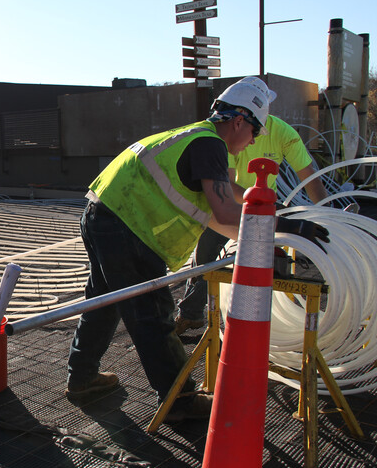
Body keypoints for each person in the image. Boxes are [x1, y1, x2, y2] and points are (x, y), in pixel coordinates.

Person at [65, 79, 330, 423]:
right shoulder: (210, 144)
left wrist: (269, 227)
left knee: (104, 300)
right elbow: (226, 212)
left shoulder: (197, 138)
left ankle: (82, 378)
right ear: (239, 121)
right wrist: (288, 227)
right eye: (254, 132)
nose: (253, 141)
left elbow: (221, 212)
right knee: (152, 314)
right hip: (126, 226)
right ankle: (180, 402)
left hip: (103, 213)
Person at [175, 77, 330, 335]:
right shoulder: (224, 136)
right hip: (235, 201)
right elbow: (227, 188)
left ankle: (259, 322)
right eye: (253, 133)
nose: (254, 141)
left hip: (261, 205)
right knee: (205, 258)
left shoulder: (282, 133)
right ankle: (191, 314)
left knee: (261, 265)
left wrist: (325, 214)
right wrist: (263, 210)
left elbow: (309, 176)